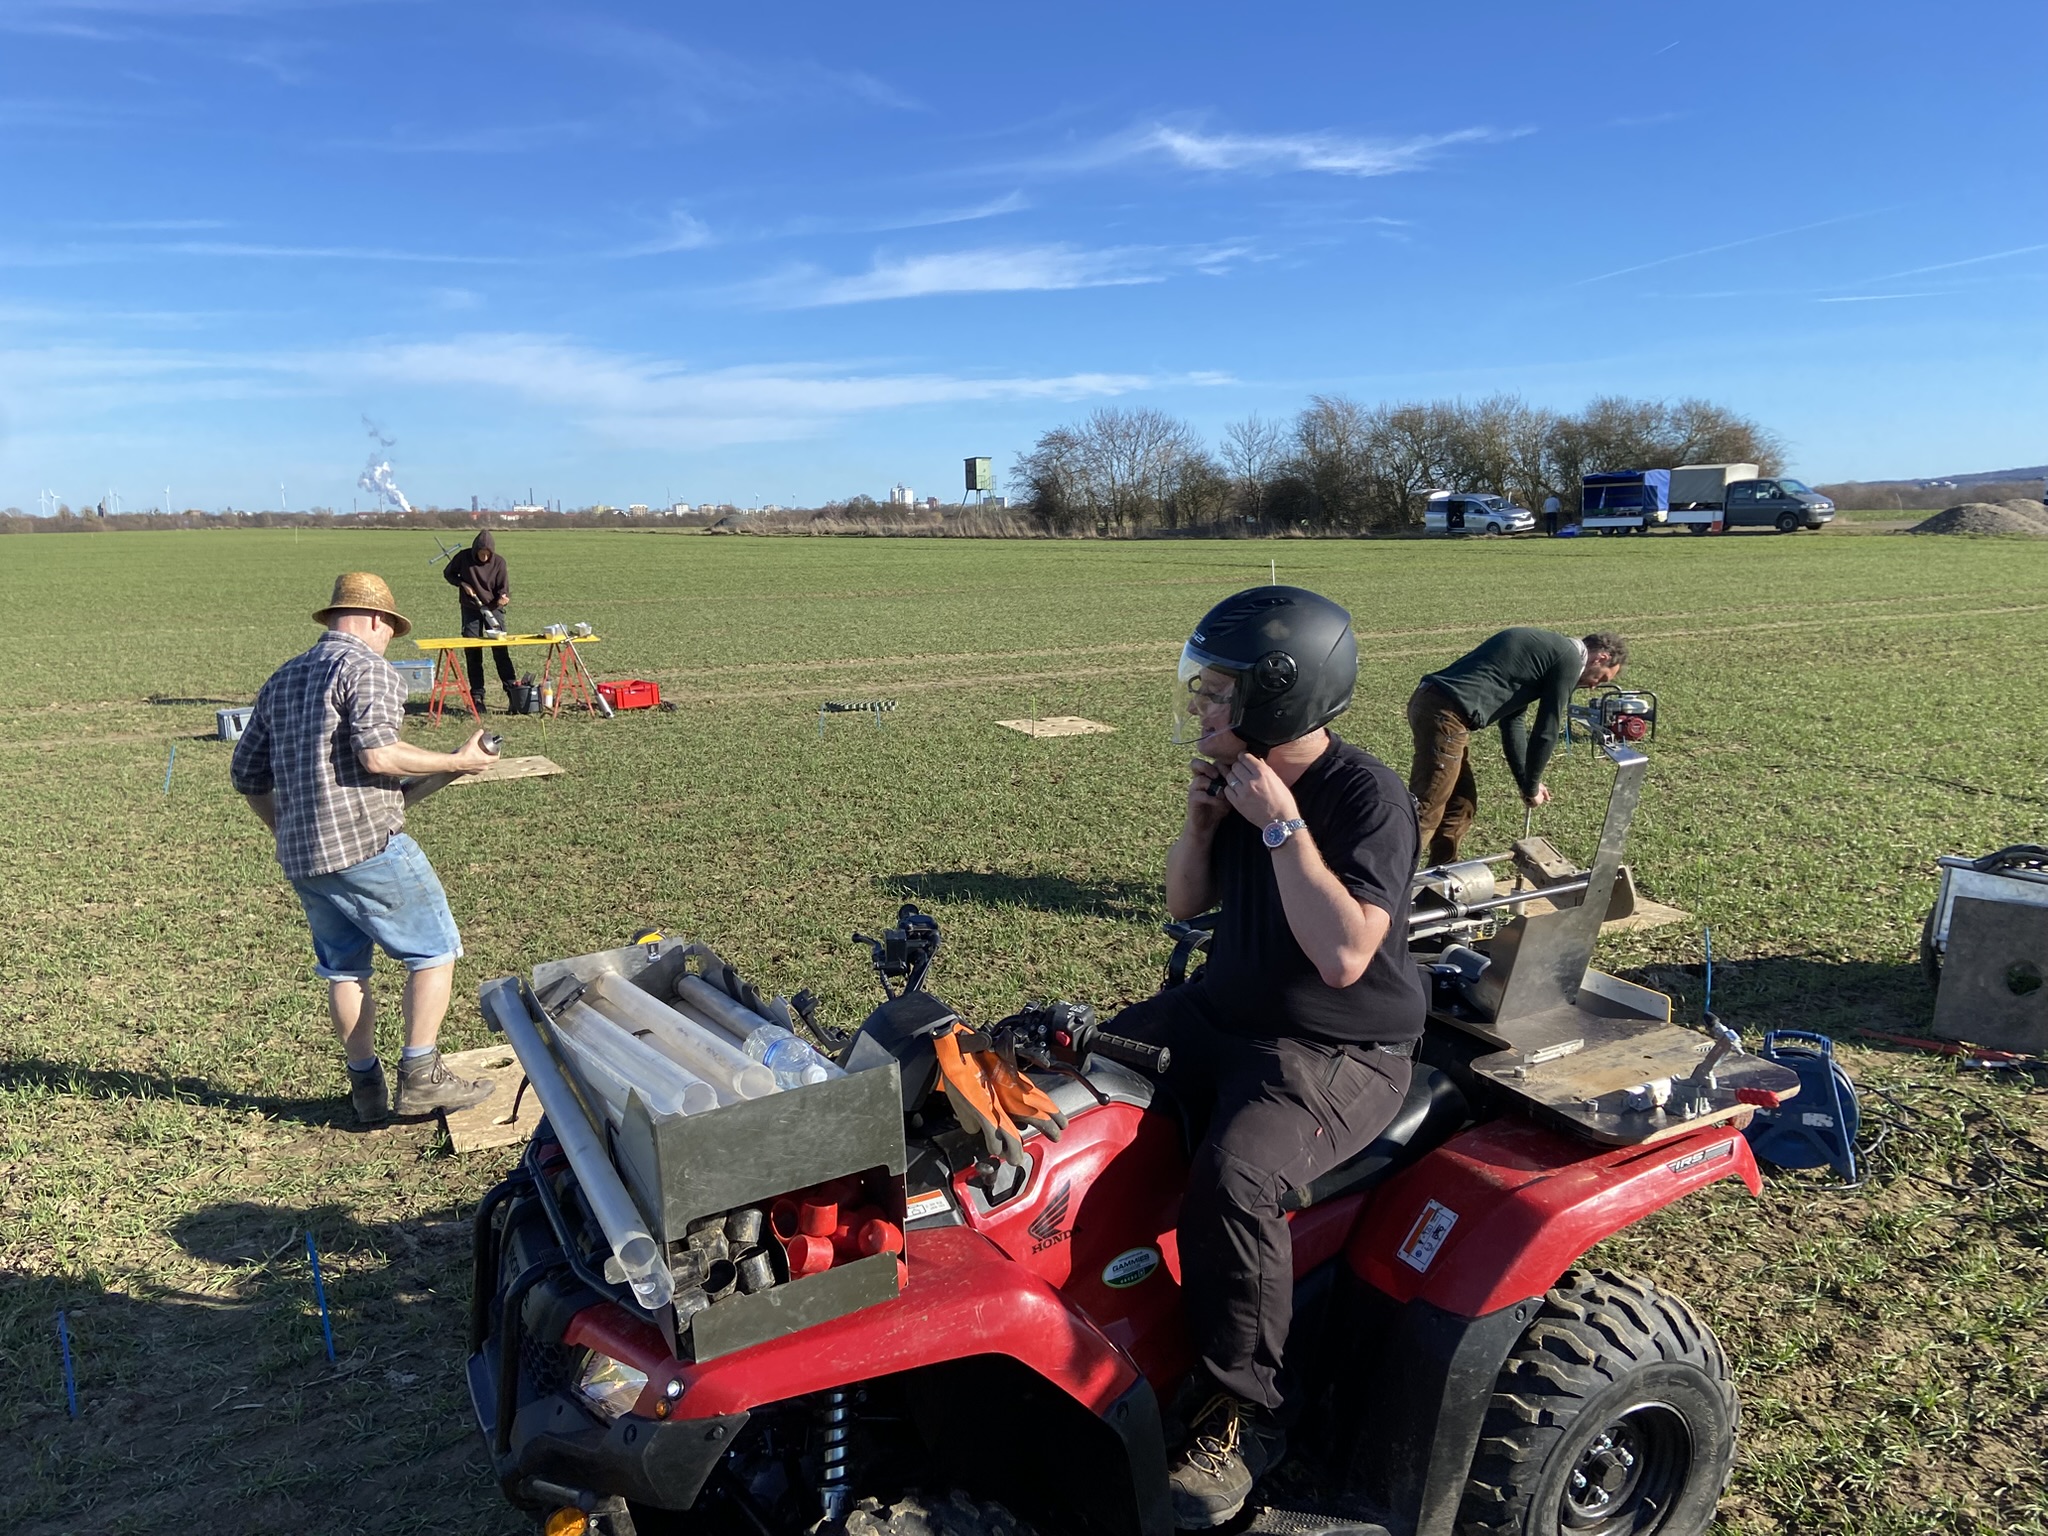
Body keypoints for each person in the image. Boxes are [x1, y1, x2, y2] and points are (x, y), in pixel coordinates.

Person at [1108, 586, 1425, 1527]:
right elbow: (1181, 906)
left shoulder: (1366, 796)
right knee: (1078, 1067)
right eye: (1200, 689)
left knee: (1236, 1179)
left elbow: (1344, 957)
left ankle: (1237, 1413)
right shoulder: (1235, 776)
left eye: (1217, 692)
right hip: (1222, 1008)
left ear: (1279, 699)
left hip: (1339, 1045)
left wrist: (1284, 826)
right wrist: (1205, 827)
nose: (1201, 708)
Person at [230, 572, 500, 1124]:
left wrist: (286, 830)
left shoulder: (283, 678)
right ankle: (421, 1076)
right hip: (369, 848)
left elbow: (246, 774)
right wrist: (458, 761)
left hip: (307, 861)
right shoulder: (368, 668)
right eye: (389, 632)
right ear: (376, 621)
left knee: (345, 970)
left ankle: (366, 1090)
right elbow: (379, 756)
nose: (387, 642)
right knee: (434, 952)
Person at [1407, 628, 1627, 867]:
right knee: (1427, 809)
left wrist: (1526, 781)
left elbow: (1513, 721)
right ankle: (1386, 890)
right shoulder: (1570, 658)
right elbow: (1547, 729)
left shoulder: (1548, 654)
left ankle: (1440, 879)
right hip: (1445, 713)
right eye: (1601, 678)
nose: (1594, 686)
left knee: (1461, 804)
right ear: (1601, 658)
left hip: (1437, 707)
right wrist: (1532, 786)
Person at [442, 530, 516, 710]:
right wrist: (462, 584)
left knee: (500, 651)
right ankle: (477, 697)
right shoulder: (463, 557)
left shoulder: (499, 562)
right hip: (470, 608)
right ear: (475, 550)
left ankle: (513, 692)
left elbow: (503, 589)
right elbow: (449, 573)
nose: (483, 557)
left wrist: (502, 599)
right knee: (473, 652)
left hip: (493, 609)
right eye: (481, 553)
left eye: (487, 554)